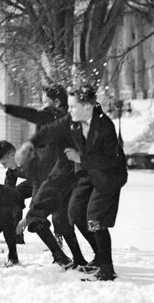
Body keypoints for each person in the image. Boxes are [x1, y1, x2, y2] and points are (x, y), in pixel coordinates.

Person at [16, 84, 128, 281]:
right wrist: (30, 144)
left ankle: (106, 268)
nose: (69, 111)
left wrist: (79, 159)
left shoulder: (104, 126)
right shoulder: (72, 120)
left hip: (106, 177)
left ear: (87, 107)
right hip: (81, 174)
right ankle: (96, 259)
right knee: (75, 214)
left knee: (94, 219)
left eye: (73, 106)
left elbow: (110, 160)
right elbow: (51, 132)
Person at [0, 86, 88, 268]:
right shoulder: (15, 169)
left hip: (59, 177)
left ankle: (69, 256)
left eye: (44, 101)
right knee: (41, 212)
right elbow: (11, 193)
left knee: (51, 219)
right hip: (49, 176)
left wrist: (29, 215)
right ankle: (72, 257)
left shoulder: (56, 117)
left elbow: (34, 115)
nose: (42, 106)